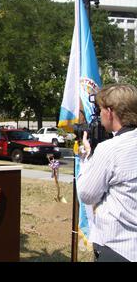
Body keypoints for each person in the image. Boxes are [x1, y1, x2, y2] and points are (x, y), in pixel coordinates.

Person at [77, 83, 137, 262]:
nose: (99, 115)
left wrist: (87, 158)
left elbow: (87, 194)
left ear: (110, 112)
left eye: (100, 109)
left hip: (118, 246)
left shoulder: (109, 149)